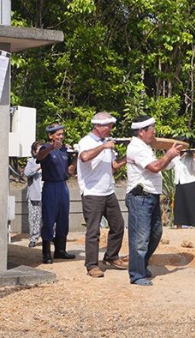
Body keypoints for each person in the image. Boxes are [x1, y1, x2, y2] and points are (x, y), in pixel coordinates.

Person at [126, 115, 183, 286]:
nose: (155, 132)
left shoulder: (145, 147)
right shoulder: (136, 147)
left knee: (155, 233)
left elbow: (159, 166)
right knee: (140, 237)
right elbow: (156, 167)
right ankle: (136, 274)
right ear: (142, 131)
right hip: (140, 197)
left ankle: (141, 266)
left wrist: (171, 157)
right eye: (152, 129)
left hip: (150, 196)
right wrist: (169, 155)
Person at [78, 112, 128, 278]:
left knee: (118, 225)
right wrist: (103, 147)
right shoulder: (86, 141)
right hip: (92, 192)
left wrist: (127, 158)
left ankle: (111, 257)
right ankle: (92, 265)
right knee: (93, 231)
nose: (111, 129)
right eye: (109, 126)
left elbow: (113, 165)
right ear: (98, 126)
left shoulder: (107, 142)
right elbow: (84, 157)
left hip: (108, 191)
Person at [37, 123, 78, 264]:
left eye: (62, 134)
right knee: (49, 219)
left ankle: (60, 250)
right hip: (50, 186)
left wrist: (77, 156)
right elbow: (40, 157)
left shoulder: (64, 150)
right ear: (50, 136)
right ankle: (46, 252)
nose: (61, 136)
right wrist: (50, 148)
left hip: (63, 185)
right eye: (58, 134)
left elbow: (69, 171)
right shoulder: (45, 148)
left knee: (63, 219)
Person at [172, 149, 195, 229]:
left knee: (193, 205)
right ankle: (179, 226)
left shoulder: (190, 156)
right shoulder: (175, 157)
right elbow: (168, 166)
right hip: (179, 183)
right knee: (179, 206)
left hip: (189, 182)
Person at [24, 140, 44, 248]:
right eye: (39, 149)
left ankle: (51, 237)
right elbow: (27, 173)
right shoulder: (31, 161)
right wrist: (38, 167)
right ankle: (33, 238)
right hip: (35, 194)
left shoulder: (49, 160)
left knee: (50, 218)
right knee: (34, 218)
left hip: (47, 194)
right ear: (34, 151)